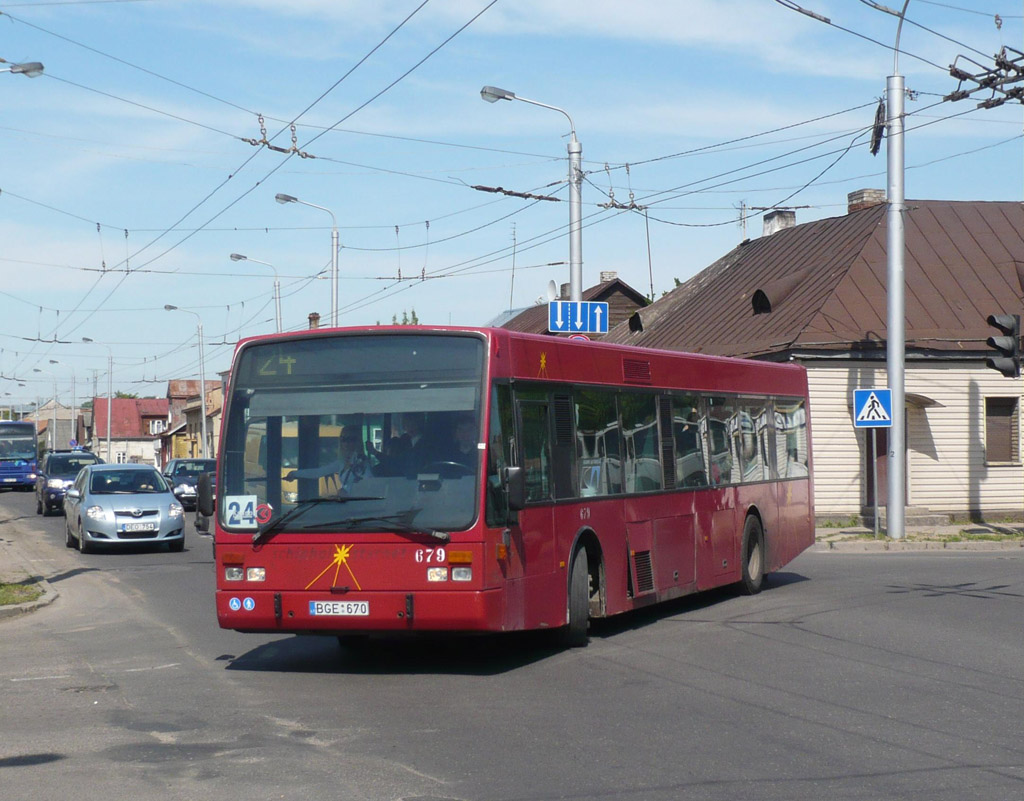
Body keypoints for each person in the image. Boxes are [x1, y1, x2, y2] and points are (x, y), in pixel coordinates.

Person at [286, 425, 371, 495]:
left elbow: (369, 484)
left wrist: (348, 491)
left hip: (358, 507)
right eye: (343, 439)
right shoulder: (342, 462)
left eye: (351, 439)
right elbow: (319, 472)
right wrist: (295, 473)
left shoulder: (362, 461)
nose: (346, 443)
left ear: (358, 441)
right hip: (347, 505)